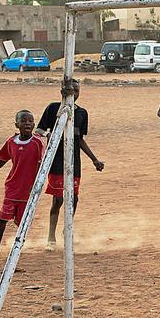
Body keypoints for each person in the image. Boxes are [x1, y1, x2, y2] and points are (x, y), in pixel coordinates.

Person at [35, 79, 104, 248]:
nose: (74, 95)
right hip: (57, 161)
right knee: (58, 200)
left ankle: (67, 229)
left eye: (77, 91)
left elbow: (79, 139)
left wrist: (94, 159)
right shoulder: (52, 109)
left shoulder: (82, 113)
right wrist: (48, 137)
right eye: (71, 91)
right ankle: (51, 237)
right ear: (63, 92)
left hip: (74, 162)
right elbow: (39, 131)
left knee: (74, 199)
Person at [0, 109, 45, 256]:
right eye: (23, 120)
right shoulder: (11, 142)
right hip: (12, 187)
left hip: (29, 190)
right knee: (3, 217)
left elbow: (44, 163)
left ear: (34, 124)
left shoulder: (37, 143)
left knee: (23, 222)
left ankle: (18, 247)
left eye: (30, 121)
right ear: (17, 124)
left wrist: (39, 185)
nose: (27, 123)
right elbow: (3, 159)